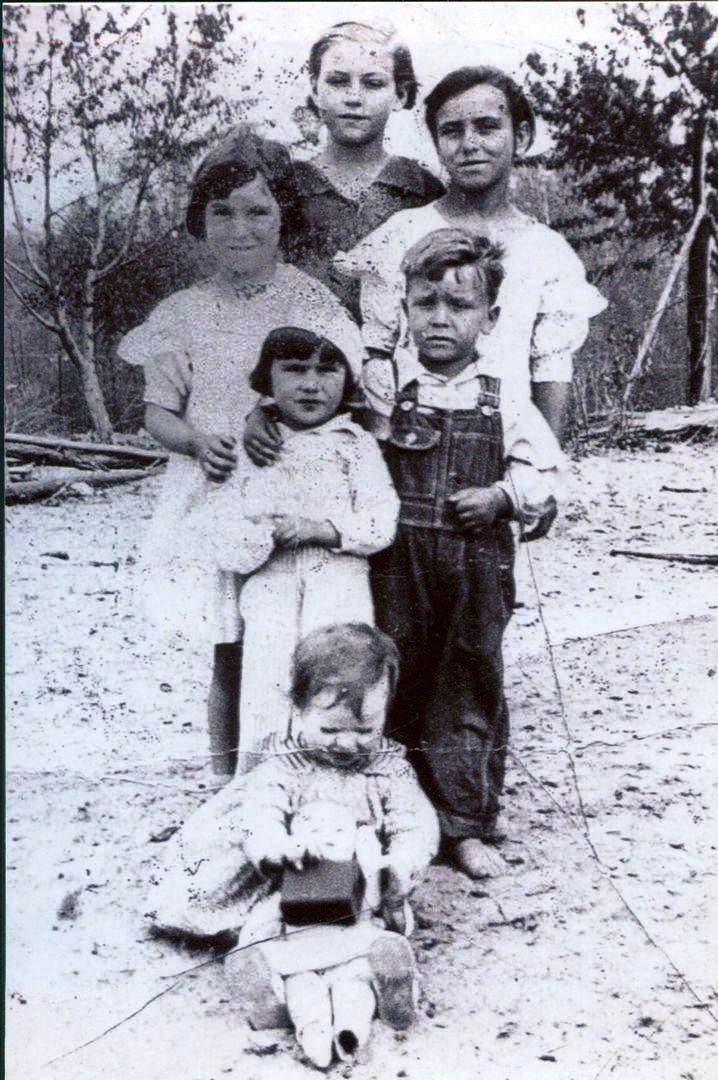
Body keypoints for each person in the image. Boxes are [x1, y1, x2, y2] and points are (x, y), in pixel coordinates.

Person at [116, 129, 363, 777]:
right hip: (219, 498)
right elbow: (157, 413)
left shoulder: (308, 301)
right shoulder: (182, 313)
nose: (239, 229)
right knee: (229, 647)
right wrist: (196, 441)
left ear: (284, 217)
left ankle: (305, 767)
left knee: (300, 637)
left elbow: (342, 385)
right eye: (221, 212)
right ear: (200, 221)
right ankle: (227, 780)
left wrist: (273, 411)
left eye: (258, 211)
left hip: (296, 492)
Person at [147, 624, 440, 1069]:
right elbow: (259, 811)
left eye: (365, 729)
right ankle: (284, 1003)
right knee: (271, 935)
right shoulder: (285, 765)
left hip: (363, 891)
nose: (347, 743)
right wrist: (275, 847)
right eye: (330, 728)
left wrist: (400, 863)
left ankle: (376, 997)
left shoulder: (389, 769)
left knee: (369, 948)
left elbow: (414, 823)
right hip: (292, 892)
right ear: (298, 709)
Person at [369, 228, 563, 881]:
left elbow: (546, 474)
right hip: (396, 565)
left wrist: (503, 496)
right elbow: (329, 429)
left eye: (459, 305)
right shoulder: (387, 387)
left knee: (467, 684)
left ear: (490, 317)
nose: (440, 319)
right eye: (426, 304)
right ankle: (397, 813)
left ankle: (465, 822)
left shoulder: (502, 395)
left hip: (476, 567)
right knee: (395, 680)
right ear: (406, 309)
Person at [335, 64, 607, 443]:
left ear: (520, 136)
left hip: (505, 448)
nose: (469, 144)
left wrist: (540, 465)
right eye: (452, 131)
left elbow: (551, 370)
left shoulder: (547, 251)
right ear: (436, 143)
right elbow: (376, 354)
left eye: (487, 127)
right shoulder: (401, 234)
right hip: (411, 447)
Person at [201, 326, 398, 766]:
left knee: (339, 677)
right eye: (294, 370)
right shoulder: (250, 447)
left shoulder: (357, 446)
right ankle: (262, 782)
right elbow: (223, 526)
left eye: (327, 371)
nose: (311, 385)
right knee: (267, 683)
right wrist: (262, 535)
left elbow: (382, 520)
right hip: (269, 581)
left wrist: (323, 529)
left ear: (348, 380)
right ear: (266, 380)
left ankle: (337, 778)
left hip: (339, 579)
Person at [291, 19, 444, 320]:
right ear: (315, 88)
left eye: (373, 84)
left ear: (400, 94)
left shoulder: (424, 190)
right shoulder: (285, 185)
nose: (353, 97)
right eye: (338, 81)